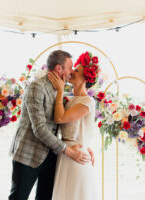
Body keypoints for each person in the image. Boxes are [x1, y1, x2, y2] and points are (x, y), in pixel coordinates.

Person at [9, 50, 94, 200]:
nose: (71, 72)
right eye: (70, 67)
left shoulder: (62, 91)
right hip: (29, 154)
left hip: (51, 157)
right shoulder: (36, 87)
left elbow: (74, 124)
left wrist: (85, 145)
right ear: (59, 69)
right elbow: (39, 128)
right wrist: (68, 150)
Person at [48, 51, 100, 200]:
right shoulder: (70, 99)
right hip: (65, 154)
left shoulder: (87, 101)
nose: (71, 72)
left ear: (86, 78)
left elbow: (60, 118)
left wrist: (60, 90)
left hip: (77, 158)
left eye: (76, 71)